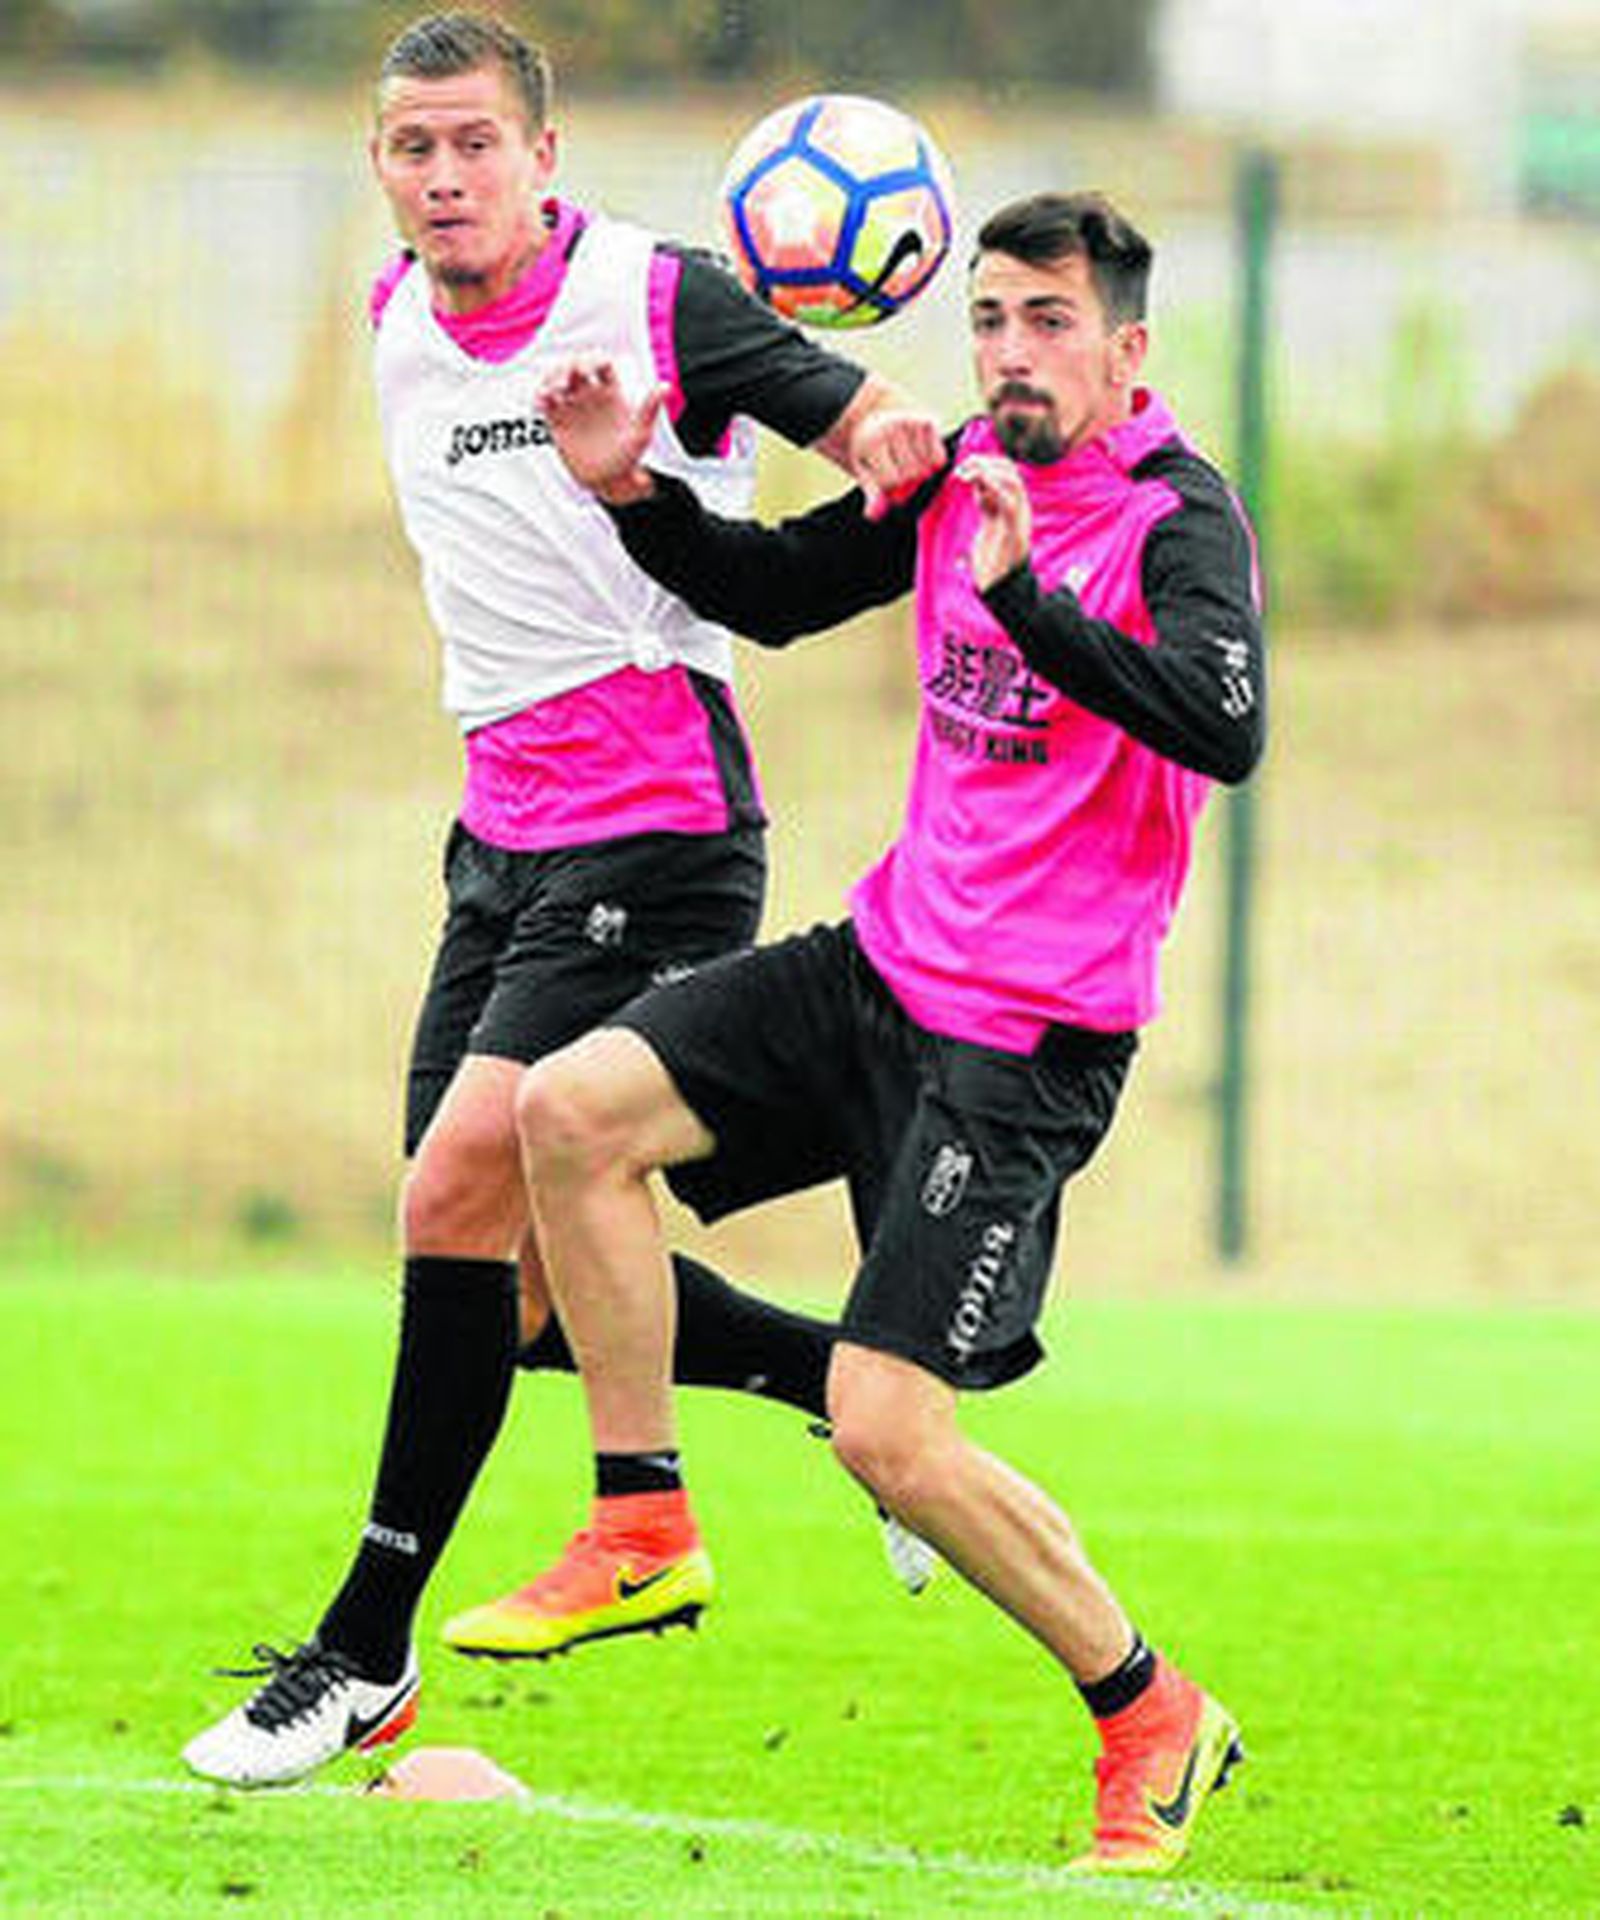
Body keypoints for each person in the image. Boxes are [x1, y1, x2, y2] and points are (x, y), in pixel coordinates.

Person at [181, 8, 946, 1791]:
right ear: (381, 168)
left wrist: (891, 423)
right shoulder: (390, 318)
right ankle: (859, 1390)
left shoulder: (660, 299)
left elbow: (877, 445)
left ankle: (360, 1656)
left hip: (660, 823)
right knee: (502, 1294)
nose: (443, 176)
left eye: (473, 145)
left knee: (459, 1180)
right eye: (409, 147)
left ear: (544, 157)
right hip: (499, 842)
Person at [486, 189, 1265, 1876]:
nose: (1009, 354)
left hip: (1029, 1044)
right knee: (566, 1115)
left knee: (890, 1435)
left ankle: (1151, 1712)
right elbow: (765, 593)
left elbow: (1222, 725)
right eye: (988, 319)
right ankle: (639, 1518)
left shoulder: (1174, 514)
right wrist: (632, 486)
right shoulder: (947, 481)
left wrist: (1031, 596)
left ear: (1127, 349)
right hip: (883, 966)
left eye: (1048, 323)